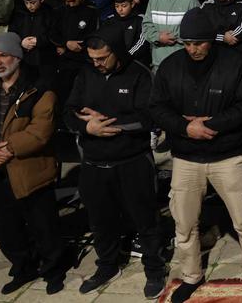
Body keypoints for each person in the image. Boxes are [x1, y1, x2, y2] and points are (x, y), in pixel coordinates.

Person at [148, 8, 242, 303]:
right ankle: (192, 275)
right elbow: (157, 107)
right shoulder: (171, 66)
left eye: (198, 43)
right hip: (186, 159)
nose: (193, 49)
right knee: (184, 224)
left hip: (227, 156)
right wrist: (186, 128)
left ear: (211, 40)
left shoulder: (235, 63)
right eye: (187, 43)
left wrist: (208, 126)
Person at [0, 32, 65, 295]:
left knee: (44, 227)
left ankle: (53, 270)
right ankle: (23, 267)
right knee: (8, 230)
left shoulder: (40, 88)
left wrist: (6, 149)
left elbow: (40, 131)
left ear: (17, 56)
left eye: (3, 55)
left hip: (31, 170)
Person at [64, 21, 166, 297]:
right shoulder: (85, 74)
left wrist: (112, 126)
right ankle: (107, 265)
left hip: (132, 162)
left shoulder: (140, 75)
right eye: (92, 58)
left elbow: (149, 117)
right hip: (94, 164)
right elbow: (68, 112)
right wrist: (87, 127)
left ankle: (154, 269)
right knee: (100, 221)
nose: (96, 63)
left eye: (102, 58)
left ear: (117, 52)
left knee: (145, 219)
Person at [141, 0, 200, 69]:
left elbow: (196, 30)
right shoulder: (153, 1)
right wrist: (158, 37)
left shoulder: (191, 1)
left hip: (182, 61)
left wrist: (174, 37)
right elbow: (146, 27)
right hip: (158, 62)